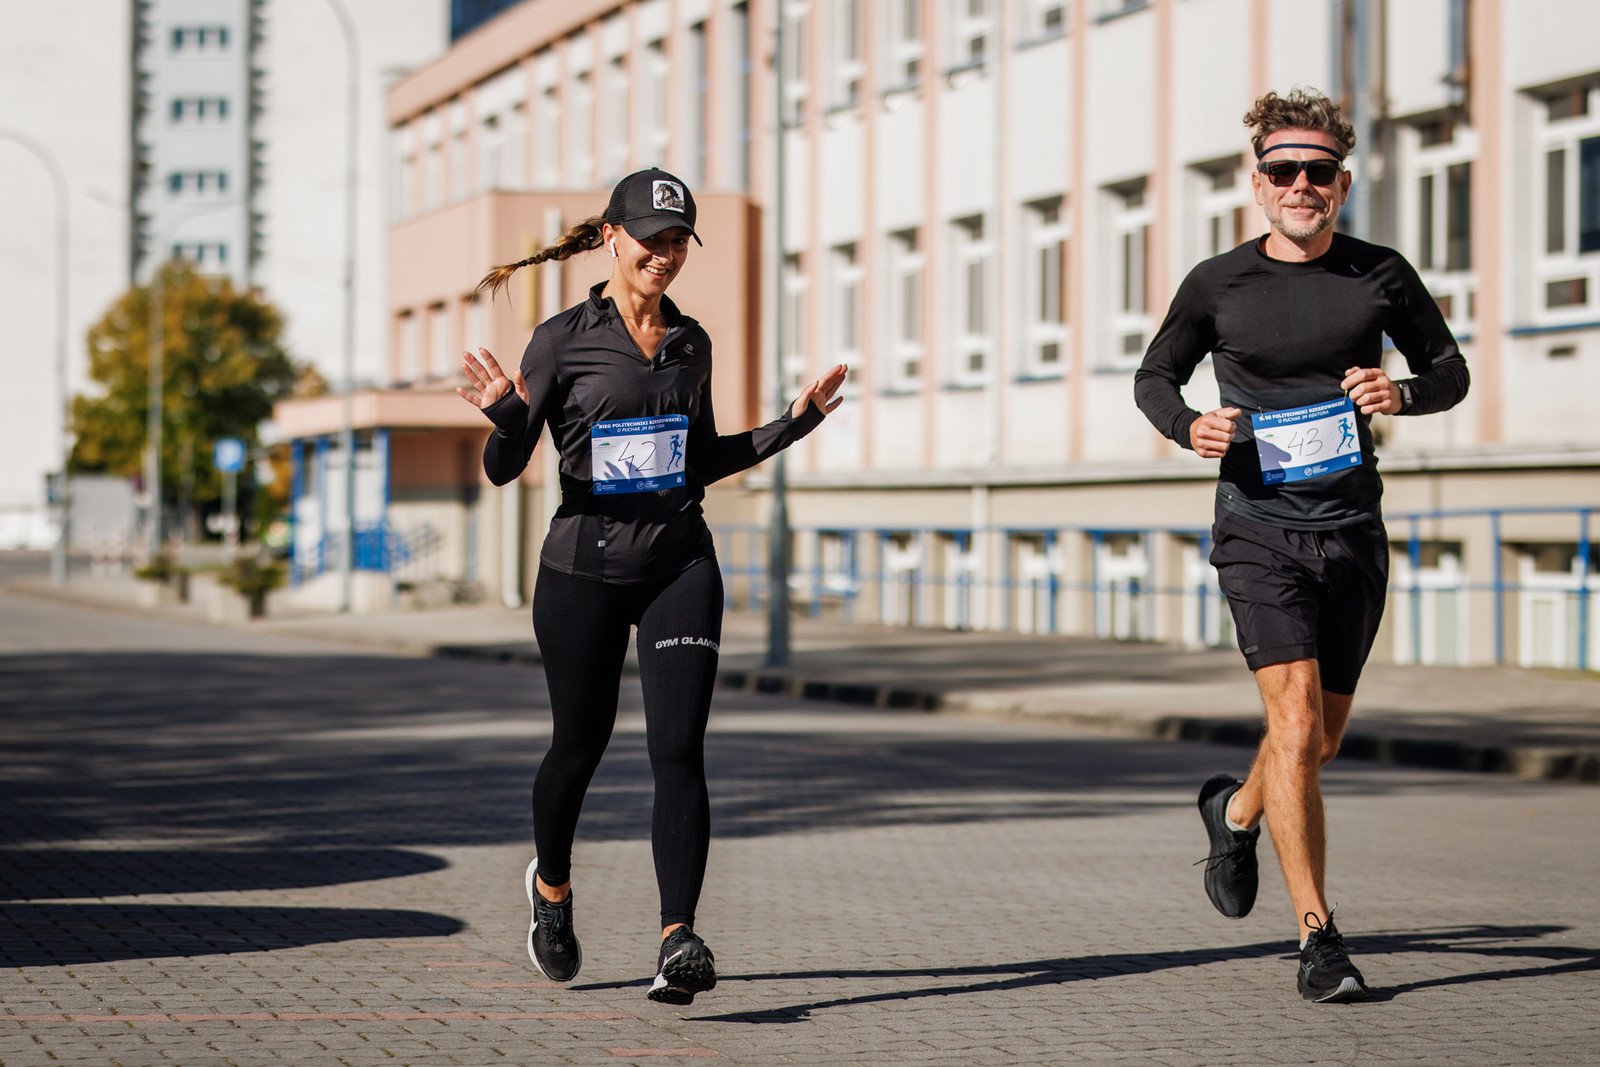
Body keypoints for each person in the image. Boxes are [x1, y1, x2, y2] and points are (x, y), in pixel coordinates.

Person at [456, 167, 846, 1005]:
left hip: (679, 564)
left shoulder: (691, 343)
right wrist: (506, 417)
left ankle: (678, 939)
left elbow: (700, 459)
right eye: (650, 239)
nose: (663, 255)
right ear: (611, 238)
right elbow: (503, 467)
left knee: (678, 750)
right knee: (579, 745)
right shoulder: (562, 340)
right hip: (583, 573)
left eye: (676, 241)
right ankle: (551, 888)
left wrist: (795, 423)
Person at [1134, 89, 1469, 1002]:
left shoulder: (1381, 274)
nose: (1300, 185)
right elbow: (1155, 374)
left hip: (1352, 529)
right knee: (1292, 724)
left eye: (1318, 171)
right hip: (1257, 527)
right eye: (1282, 170)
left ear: (1342, 184)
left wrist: (1403, 394)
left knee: (1318, 740)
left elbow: (1450, 370)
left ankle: (1235, 810)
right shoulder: (1218, 283)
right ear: (1258, 184)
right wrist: (1188, 425)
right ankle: (1319, 938)